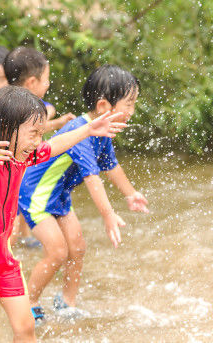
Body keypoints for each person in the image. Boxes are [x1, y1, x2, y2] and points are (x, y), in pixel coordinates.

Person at [0, 85, 126, 343]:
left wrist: (87, 129)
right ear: (7, 127)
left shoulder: (21, 157)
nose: (38, 141)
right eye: (34, 134)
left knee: (26, 329)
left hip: (3, 261)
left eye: (40, 133)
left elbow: (52, 147)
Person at [18, 65, 150, 324]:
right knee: (57, 251)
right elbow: (92, 178)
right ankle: (29, 302)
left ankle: (66, 302)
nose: (132, 112)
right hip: (36, 195)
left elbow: (110, 165)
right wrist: (108, 215)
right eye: (130, 104)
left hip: (59, 196)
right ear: (103, 106)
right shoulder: (81, 131)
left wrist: (130, 193)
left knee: (77, 248)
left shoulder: (101, 130)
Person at [4, 46, 76, 246]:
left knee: (11, 220)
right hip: (12, 176)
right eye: (46, 79)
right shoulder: (18, 108)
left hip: (13, 175)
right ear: (32, 82)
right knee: (9, 228)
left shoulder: (8, 101)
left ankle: (18, 247)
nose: (49, 83)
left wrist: (56, 122)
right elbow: (25, 134)